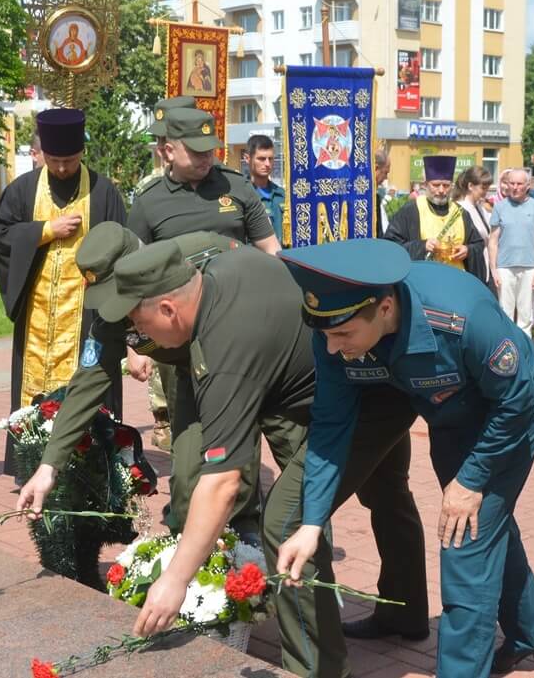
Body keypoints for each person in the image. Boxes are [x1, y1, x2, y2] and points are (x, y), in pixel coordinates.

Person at [87, 237, 428, 677]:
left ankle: (318, 669)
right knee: (384, 492)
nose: (141, 339)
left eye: (141, 323)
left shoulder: (223, 347)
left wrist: (173, 581)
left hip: (365, 392)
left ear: (169, 308)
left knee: (287, 518)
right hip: (357, 375)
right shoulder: (220, 269)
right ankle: (412, 611)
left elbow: (225, 481)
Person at [276, 238, 534, 677]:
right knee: (486, 524)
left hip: (505, 418)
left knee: (464, 541)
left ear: (385, 307)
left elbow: (516, 399)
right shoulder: (336, 331)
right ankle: (531, 631)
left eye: (343, 335)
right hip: (448, 418)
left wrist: (473, 478)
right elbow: (330, 428)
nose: (332, 349)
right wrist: (312, 522)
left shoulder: (460, 315)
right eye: (326, 335)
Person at [15, 225, 268, 535]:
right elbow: (87, 384)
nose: (118, 304)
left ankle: (254, 537)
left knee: (289, 477)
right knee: (188, 485)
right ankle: (210, 561)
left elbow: (258, 280)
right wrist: (48, 466)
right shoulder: (112, 312)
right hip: (194, 377)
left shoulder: (201, 251)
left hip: (254, 363)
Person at [0, 107, 127, 477]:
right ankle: (31, 464)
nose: (62, 167)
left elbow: (123, 248)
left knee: (90, 383)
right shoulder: (22, 190)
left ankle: (90, 466)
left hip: (88, 316)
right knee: (34, 388)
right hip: (37, 315)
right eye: (54, 160)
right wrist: (45, 230)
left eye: (68, 160)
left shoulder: (103, 192)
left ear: (82, 152)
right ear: (42, 154)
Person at [135, 95, 197, 452]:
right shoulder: (149, 193)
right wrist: (140, 344)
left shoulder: (226, 187)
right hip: (168, 314)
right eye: (158, 140)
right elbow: (141, 266)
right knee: (176, 409)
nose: (159, 147)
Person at [128, 108, 279, 253]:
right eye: (198, 151)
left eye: (209, 149)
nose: (207, 157)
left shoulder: (237, 186)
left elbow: (270, 248)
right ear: (169, 151)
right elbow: (134, 266)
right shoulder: (148, 201)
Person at [385, 155, 488, 283]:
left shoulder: (460, 213)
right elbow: (391, 245)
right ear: (425, 185)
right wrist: (422, 246)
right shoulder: (411, 210)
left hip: (455, 282)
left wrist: (467, 250)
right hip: (423, 282)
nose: (441, 191)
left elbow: (478, 244)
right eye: (436, 185)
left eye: (446, 186)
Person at [488, 168, 534, 337]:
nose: (515, 187)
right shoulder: (499, 207)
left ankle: (525, 349)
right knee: (505, 311)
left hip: (530, 266)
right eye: (511, 183)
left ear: (527, 185)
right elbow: (493, 241)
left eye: (519, 184)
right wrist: (494, 270)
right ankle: (506, 349)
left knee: (525, 313)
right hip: (504, 266)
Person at [453, 165, 494, 291]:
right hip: (470, 268)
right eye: (483, 188)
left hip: (484, 266)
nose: (486, 192)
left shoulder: (480, 208)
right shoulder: (460, 208)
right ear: (470, 186)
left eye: (487, 188)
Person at [243, 134, 286, 244]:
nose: (267, 164)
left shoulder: (282, 195)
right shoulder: (242, 195)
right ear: (247, 158)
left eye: (270, 159)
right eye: (261, 159)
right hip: (257, 259)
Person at [374, 147, 391, 236]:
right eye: (385, 172)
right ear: (375, 169)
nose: (386, 178)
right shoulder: (372, 199)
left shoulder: (376, 197)